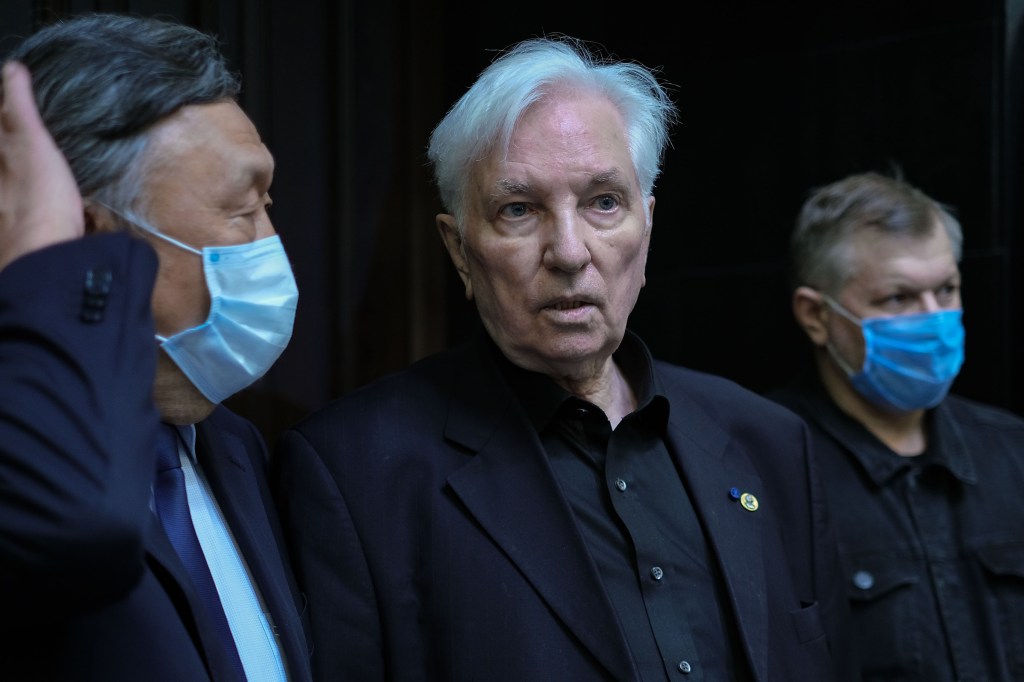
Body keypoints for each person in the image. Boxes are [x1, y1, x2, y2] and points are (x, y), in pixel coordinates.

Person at [273, 35, 851, 681]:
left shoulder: (767, 443)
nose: (570, 252)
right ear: (460, 250)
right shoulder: (355, 474)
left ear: (647, 227)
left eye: (603, 202)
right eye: (519, 210)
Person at [0, 14, 312, 681]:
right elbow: (80, 537)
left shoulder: (236, 447)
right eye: (241, 210)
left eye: (268, 204)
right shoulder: (25, 458)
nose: (271, 246)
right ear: (87, 234)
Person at [767, 170, 1024, 680]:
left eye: (946, 290)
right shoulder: (766, 468)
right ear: (816, 315)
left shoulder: (1013, 451)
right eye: (898, 298)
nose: (934, 319)